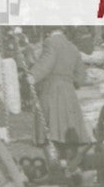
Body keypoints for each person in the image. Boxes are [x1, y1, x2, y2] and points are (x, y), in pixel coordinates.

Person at [30, 27, 91, 174]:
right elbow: (81, 76)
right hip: (69, 94)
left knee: (48, 132)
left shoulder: (50, 43)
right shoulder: (72, 47)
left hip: (52, 91)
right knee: (66, 134)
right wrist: (71, 81)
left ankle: (56, 170)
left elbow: (47, 63)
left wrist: (33, 76)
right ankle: (69, 167)